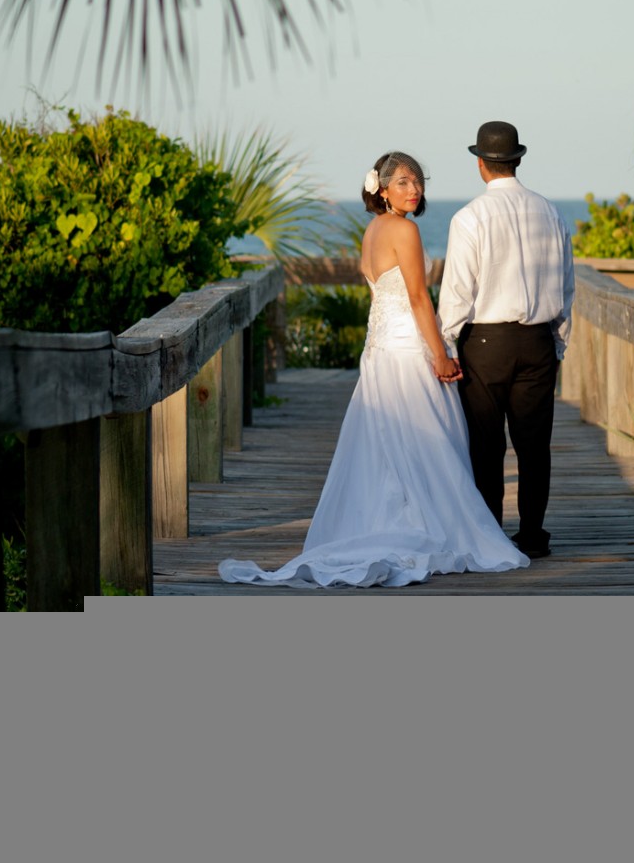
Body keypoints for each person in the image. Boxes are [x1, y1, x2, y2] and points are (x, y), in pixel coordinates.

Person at [218, 150, 529, 588]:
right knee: (429, 441)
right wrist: (439, 353)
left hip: (380, 351)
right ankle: (429, 524)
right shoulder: (405, 230)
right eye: (402, 182)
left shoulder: (373, 230)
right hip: (406, 352)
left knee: (387, 446)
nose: (414, 189)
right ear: (381, 189)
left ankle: (392, 519)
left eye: (418, 181)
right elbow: (420, 299)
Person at [436, 122, 575, 559]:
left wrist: (446, 345)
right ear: (517, 160)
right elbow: (566, 286)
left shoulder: (469, 218)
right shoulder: (551, 213)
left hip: (485, 345)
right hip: (536, 341)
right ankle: (533, 535)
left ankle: (490, 536)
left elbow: (458, 291)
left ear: (481, 164)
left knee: (487, 445)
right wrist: (557, 343)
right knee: (535, 447)